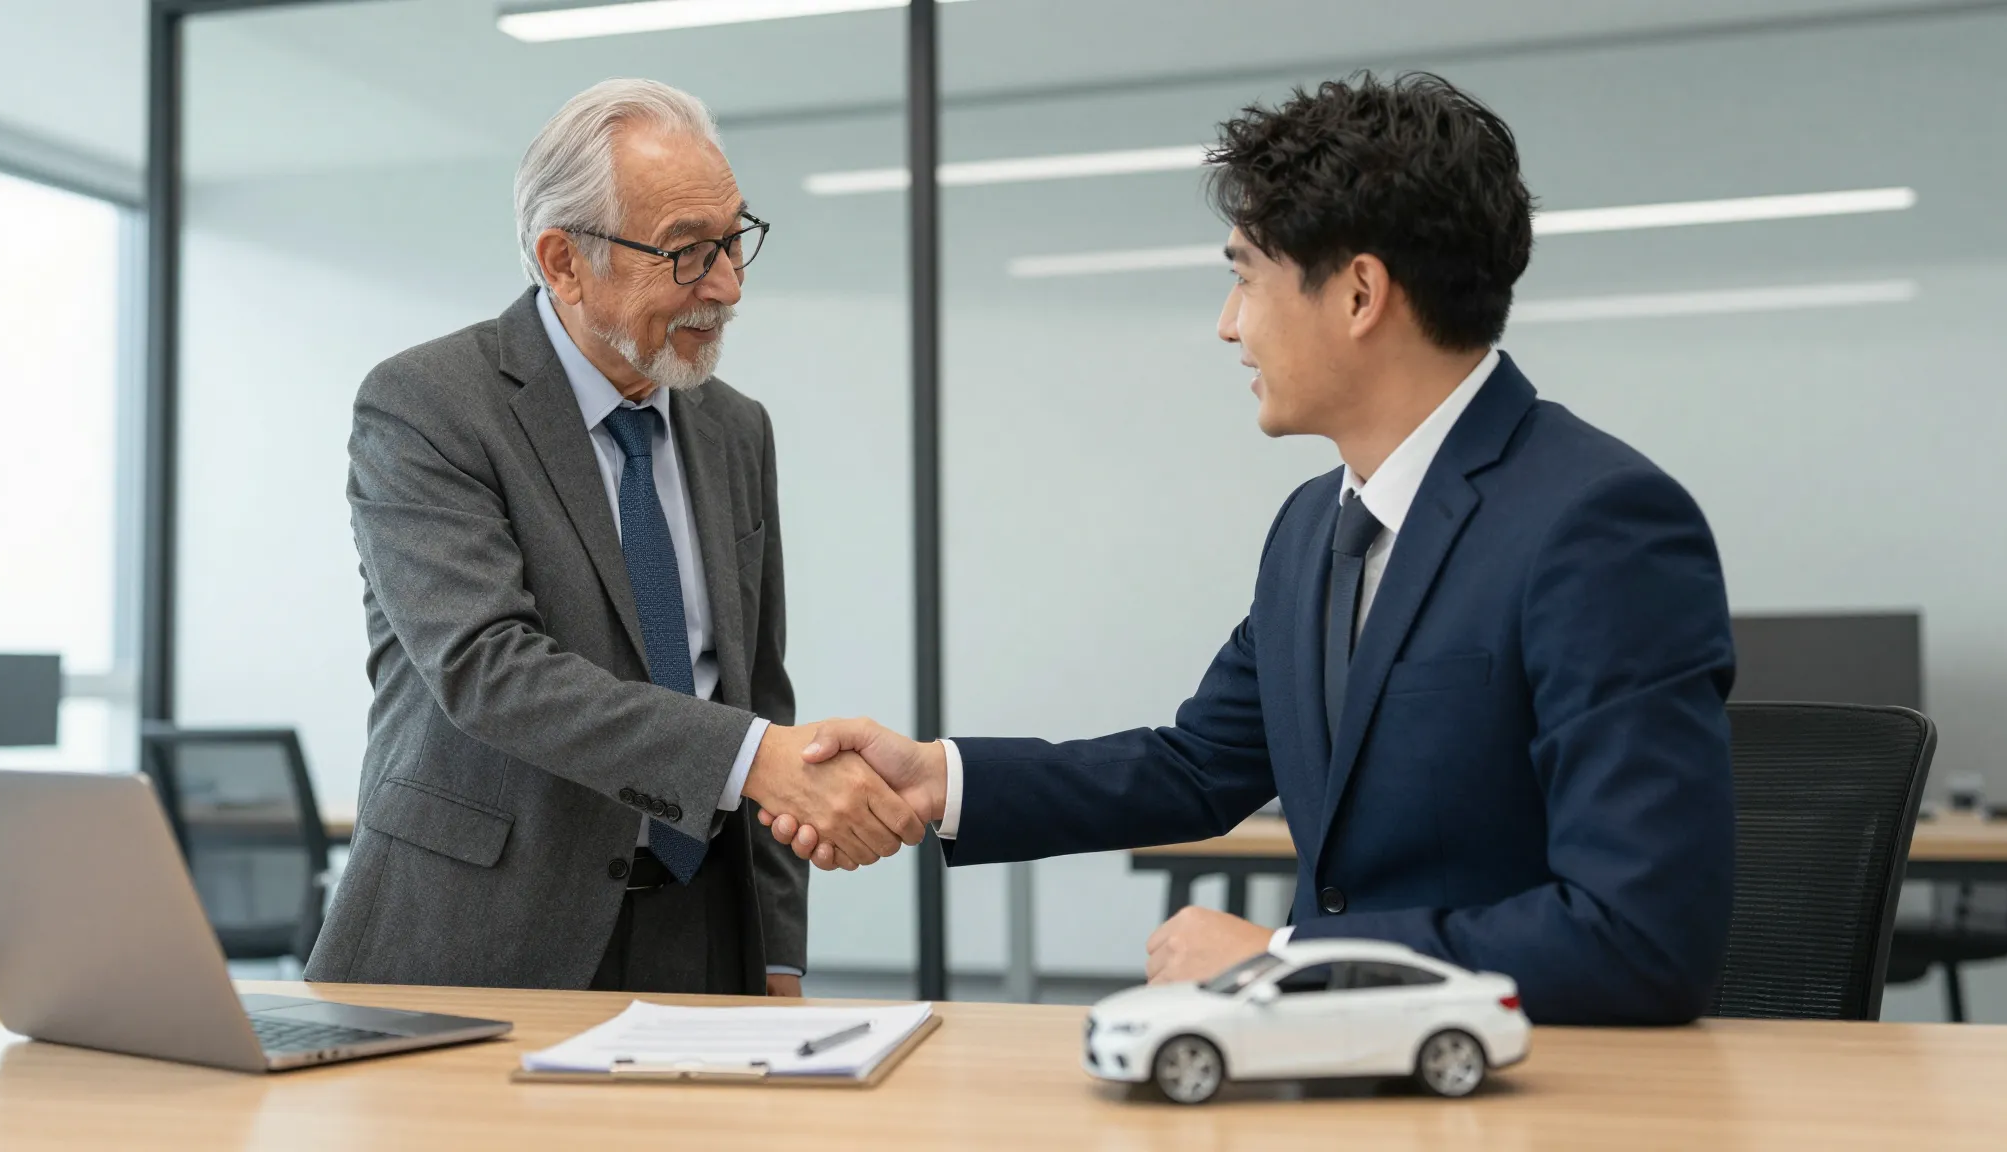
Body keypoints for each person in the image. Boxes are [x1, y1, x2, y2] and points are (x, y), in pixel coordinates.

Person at [764, 73, 1736, 1026]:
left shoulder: (1598, 527)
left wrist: (1285, 959)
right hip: (1339, 1083)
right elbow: (1197, 766)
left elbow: (1637, 938)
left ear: (1358, 294)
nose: (1227, 324)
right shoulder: (1314, 527)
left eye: (1242, 276)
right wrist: (939, 778)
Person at [304, 79, 925, 997]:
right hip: (479, 935)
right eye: (686, 253)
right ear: (563, 261)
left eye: (734, 239)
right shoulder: (429, 405)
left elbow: (757, 688)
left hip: (703, 932)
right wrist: (757, 762)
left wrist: (780, 949)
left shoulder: (734, 429)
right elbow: (490, 668)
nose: (728, 285)